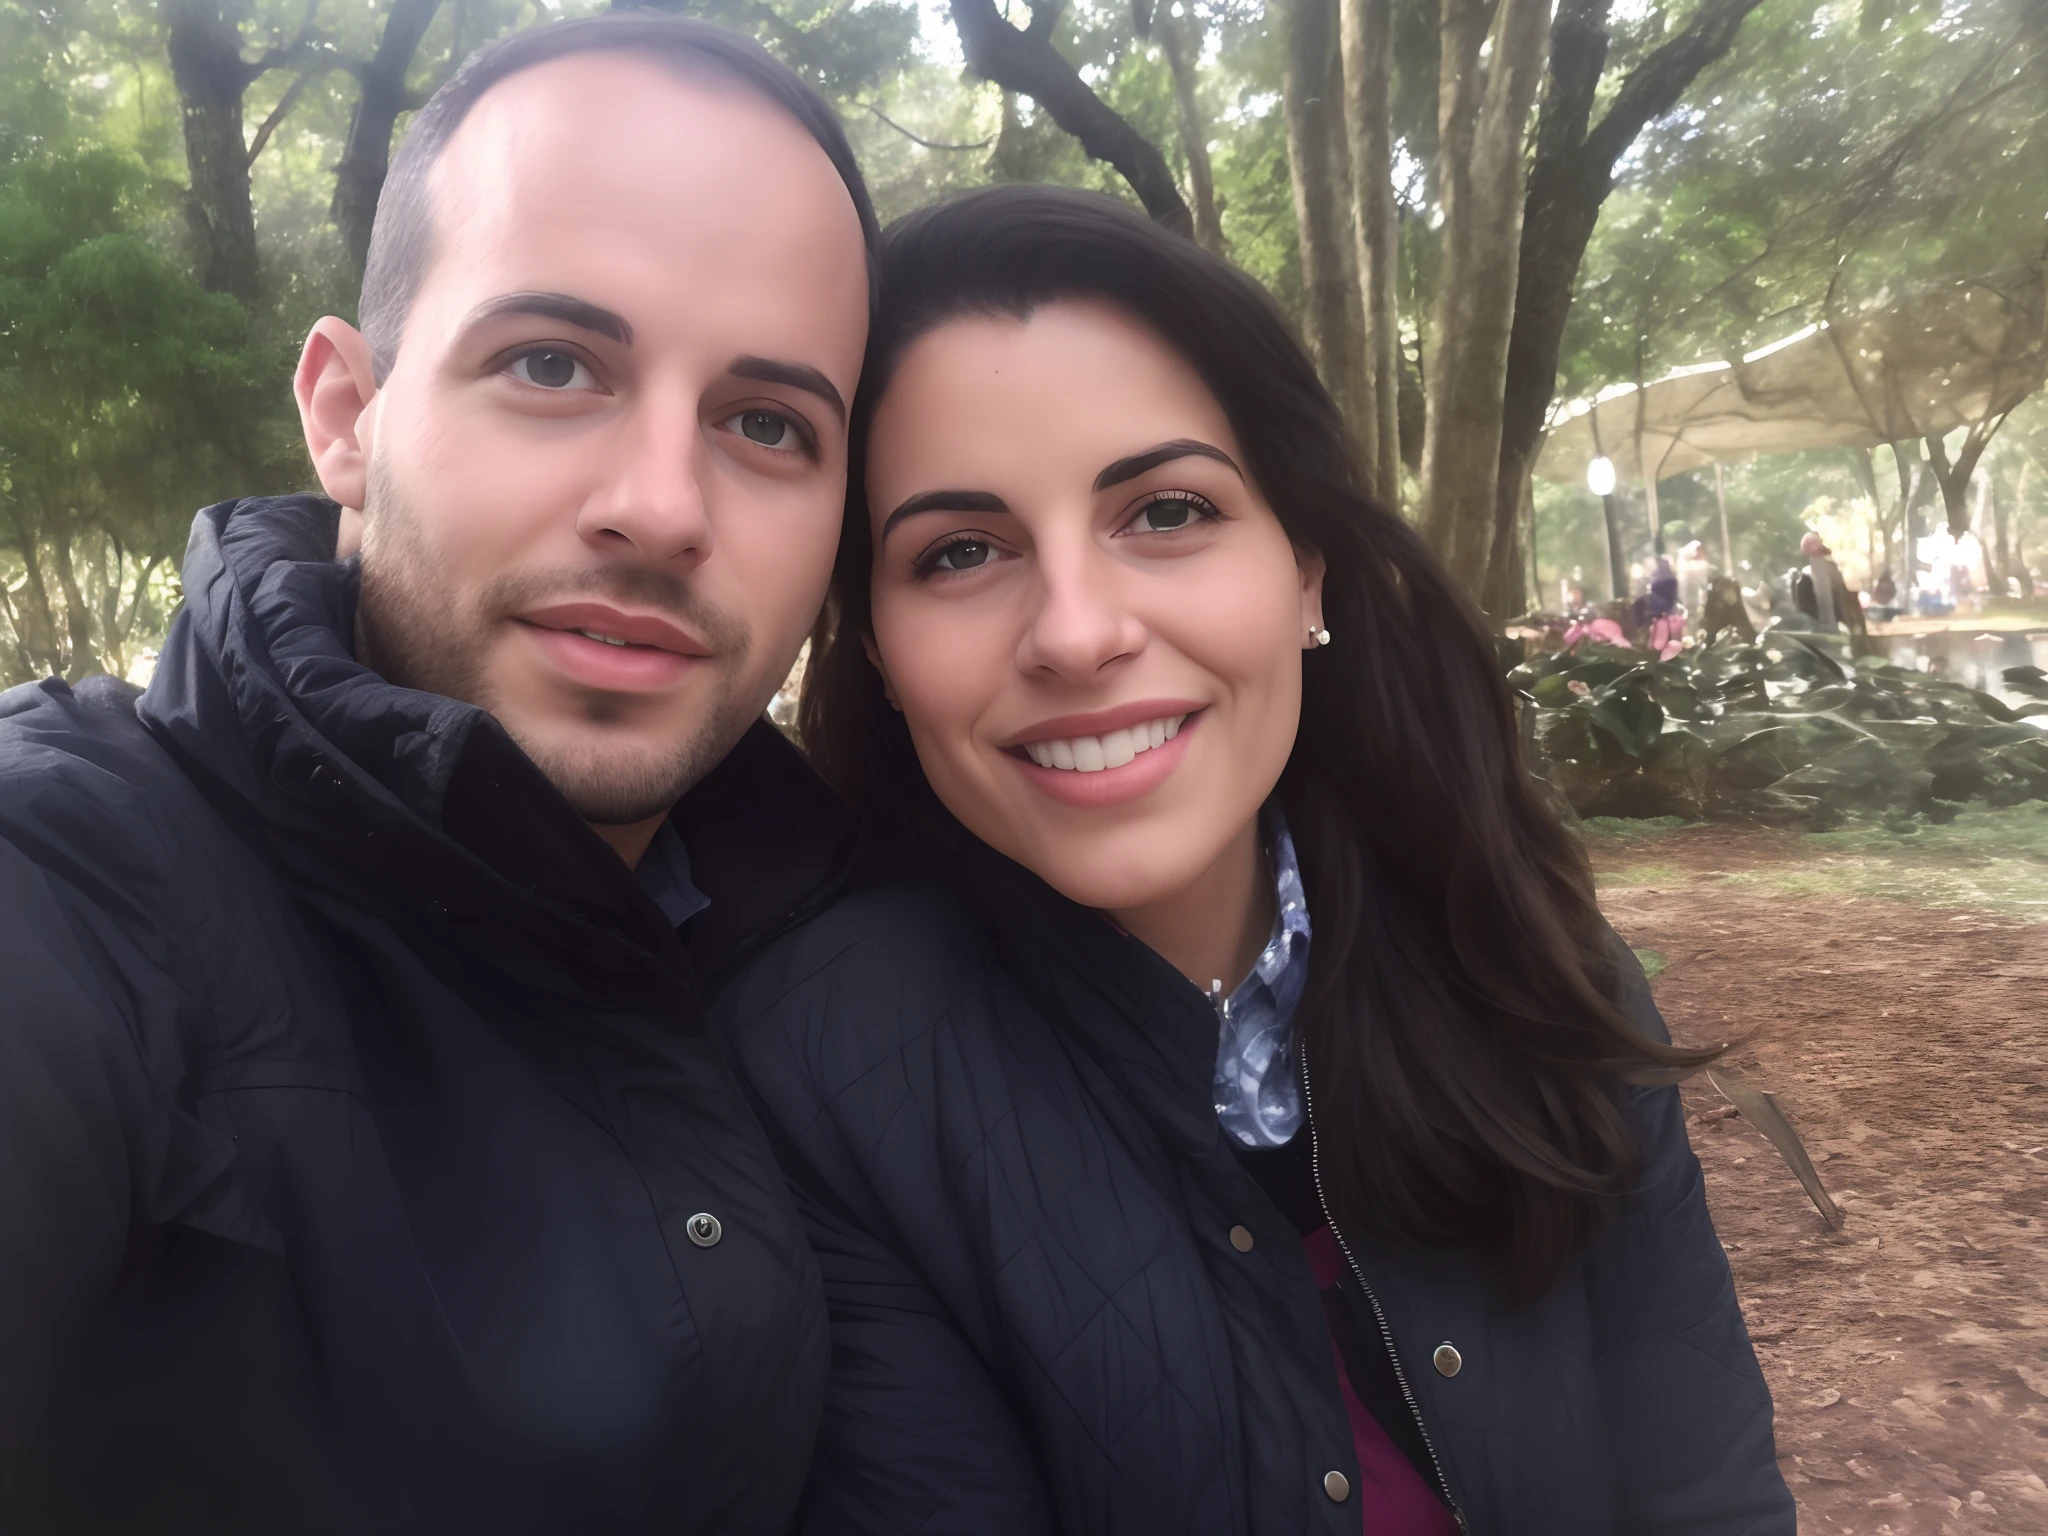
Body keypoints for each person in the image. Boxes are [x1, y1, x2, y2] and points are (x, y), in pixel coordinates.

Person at [717, 187, 1793, 1533]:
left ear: (1307, 572)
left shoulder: (1525, 959)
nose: (1076, 631)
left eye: (1165, 512)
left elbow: (1707, 1493)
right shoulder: (817, 1076)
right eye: (962, 551)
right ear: (874, 649)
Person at [0, 16, 873, 1533]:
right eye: (552, 363)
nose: (663, 508)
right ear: (348, 415)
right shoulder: (75, 880)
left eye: (765, 424)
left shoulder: (833, 928)